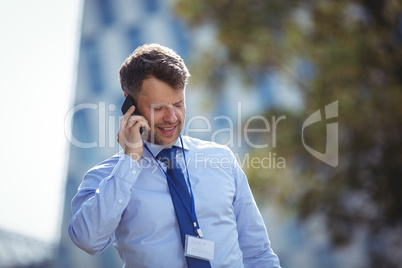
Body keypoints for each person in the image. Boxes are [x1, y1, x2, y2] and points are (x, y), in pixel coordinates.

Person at [68, 43, 281, 268]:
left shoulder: (222, 160)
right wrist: (129, 161)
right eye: (158, 107)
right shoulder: (107, 177)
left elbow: (258, 253)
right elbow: (87, 240)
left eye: (178, 104)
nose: (172, 117)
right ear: (129, 103)